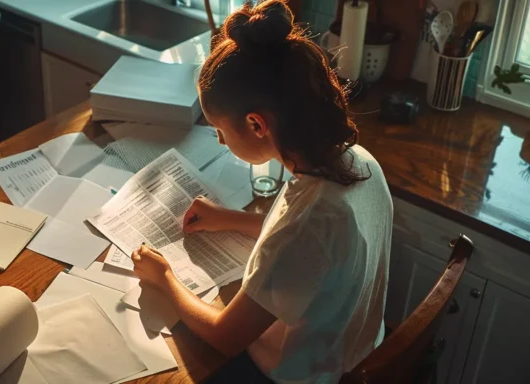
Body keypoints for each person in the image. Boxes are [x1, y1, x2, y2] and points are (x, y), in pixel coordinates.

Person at [128, 1, 394, 383]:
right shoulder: (359, 162)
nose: (219, 140)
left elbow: (225, 336)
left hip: (298, 375)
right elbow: (316, 249)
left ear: (256, 124)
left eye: (219, 130)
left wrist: (164, 276)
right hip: (350, 350)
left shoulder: (309, 222)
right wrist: (230, 219)